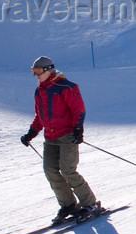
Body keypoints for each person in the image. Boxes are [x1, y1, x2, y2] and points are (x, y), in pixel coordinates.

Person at [20, 56, 100, 225]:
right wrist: (31, 133)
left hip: (66, 136)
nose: (36, 75)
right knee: (50, 170)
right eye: (33, 72)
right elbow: (40, 117)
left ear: (48, 70)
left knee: (68, 170)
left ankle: (90, 204)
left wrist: (78, 129)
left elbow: (79, 110)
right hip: (50, 138)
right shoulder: (39, 91)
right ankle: (69, 205)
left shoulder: (66, 87)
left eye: (38, 71)